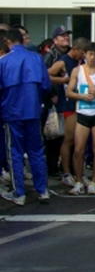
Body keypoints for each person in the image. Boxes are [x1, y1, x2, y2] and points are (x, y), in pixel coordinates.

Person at [0, 29, 52, 206]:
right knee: (36, 151)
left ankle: (19, 192)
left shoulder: (4, 61)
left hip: (12, 112)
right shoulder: (36, 58)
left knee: (14, 152)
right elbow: (46, 86)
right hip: (33, 110)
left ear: (8, 41)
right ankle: (42, 190)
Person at [65, 42, 95, 195]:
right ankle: (78, 180)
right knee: (78, 149)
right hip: (82, 112)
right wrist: (82, 96)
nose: (92, 57)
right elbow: (69, 92)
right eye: (90, 54)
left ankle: (94, 181)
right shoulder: (77, 71)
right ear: (85, 54)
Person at [48, 37, 88, 187]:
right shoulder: (63, 61)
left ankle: (77, 172)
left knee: (80, 141)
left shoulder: (81, 62)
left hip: (80, 103)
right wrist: (63, 81)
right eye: (82, 53)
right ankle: (66, 172)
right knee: (69, 139)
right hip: (67, 105)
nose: (83, 56)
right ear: (76, 49)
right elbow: (46, 75)